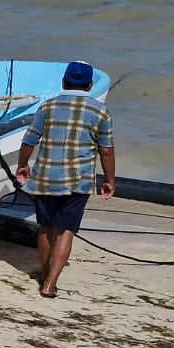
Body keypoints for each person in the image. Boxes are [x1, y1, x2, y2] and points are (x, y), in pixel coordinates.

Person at [15, 61, 115, 299]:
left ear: (63, 82)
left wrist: (23, 165)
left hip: (46, 176)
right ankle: (50, 284)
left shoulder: (48, 106)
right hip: (78, 181)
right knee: (65, 230)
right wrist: (109, 179)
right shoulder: (100, 111)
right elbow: (106, 151)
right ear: (90, 85)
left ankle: (44, 271)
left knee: (45, 227)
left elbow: (29, 140)